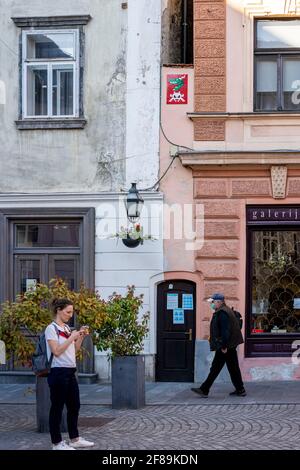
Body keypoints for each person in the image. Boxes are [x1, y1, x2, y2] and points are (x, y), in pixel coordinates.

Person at [45, 298, 95, 450]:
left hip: (70, 371)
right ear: (58, 310)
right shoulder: (51, 329)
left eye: (71, 312)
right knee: (57, 408)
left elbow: (74, 350)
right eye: (68, 312)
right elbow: (57, 351)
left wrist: (80, 337)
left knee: (74, 406)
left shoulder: (66, 328)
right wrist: (71, 337)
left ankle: (75, 439)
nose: (70, 315)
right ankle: (57, 443)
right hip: (58, 372)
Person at [191, 293, 246, 398]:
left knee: (216, 367)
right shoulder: (225, 310)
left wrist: (224, 346)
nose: (211, 304)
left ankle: (204, 389)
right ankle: (240, 389)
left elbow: (225, 331)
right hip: (229, 345)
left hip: (226, 346)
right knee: (232, 367)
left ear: (219, 302)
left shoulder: (222, 313)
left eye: (213, 302)